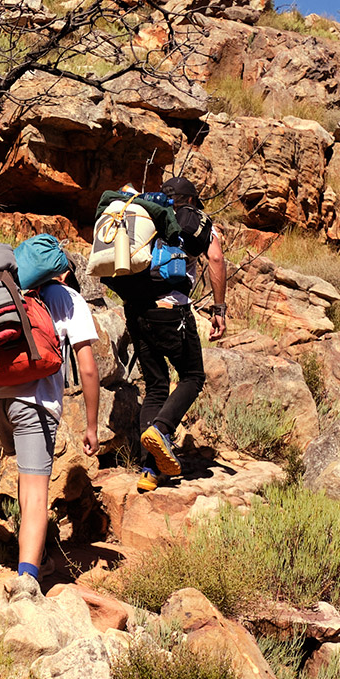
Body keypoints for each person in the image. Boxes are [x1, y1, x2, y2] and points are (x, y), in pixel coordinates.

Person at [0, 255, 103, 597]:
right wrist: (91, 426)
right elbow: (88, 368)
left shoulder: (6, 289)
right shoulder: (67, 296)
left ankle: (40, 552)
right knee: (36, 493)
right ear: (61, 271)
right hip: (33, 403)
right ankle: (27, 581)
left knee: (26, 479)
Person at [120, 175, 226, 491]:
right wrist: (219, 310)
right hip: (171, 311)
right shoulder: (195, 218)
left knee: (155, 387)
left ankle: (149, 472)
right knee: (193, 376)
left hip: (135, 310)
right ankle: (163, 430)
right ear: (191, 200)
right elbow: (217, 258)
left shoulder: (143, 214)